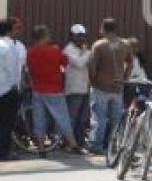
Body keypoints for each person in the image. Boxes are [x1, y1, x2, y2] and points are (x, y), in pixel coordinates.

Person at [25, 25, 83, 156]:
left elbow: (28, 68)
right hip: (54, 89)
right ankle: (73, 144)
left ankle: (41, 148)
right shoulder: (55, 50)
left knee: (39, 118)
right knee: (62, 117)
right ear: (44, 36)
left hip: (37, 89)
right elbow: (65, 62)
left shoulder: (30, 52)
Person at [88, 18, 133, 153]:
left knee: (99, 118)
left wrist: (92, 81)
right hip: (118, 87)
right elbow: (130, 63)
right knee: (116, 120)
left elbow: (92, 67)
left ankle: (97, 146)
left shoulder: (99, 45)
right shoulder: (125, 44)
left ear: (103, 28)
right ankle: (114, 145)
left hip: (101, 86)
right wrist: (125, 78)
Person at [63, 24, 91, 147]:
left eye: (83, 36)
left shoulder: (83, 50)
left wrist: (85, 52)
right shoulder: (68, 50)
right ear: (71, 36)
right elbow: (79, 63)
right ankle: (68, 142)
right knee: (72, 118)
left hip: (84, 88)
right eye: (78, 36)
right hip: (74, 89)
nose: (82, 38)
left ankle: (80, 141)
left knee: (83, 119)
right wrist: (88, 53)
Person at [0, 19, 22, 160]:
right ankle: (4, 152)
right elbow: (13, 71)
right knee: (6, 123)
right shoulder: (10, 47)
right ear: (9, 30)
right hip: (7, 90)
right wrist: (16, 86)